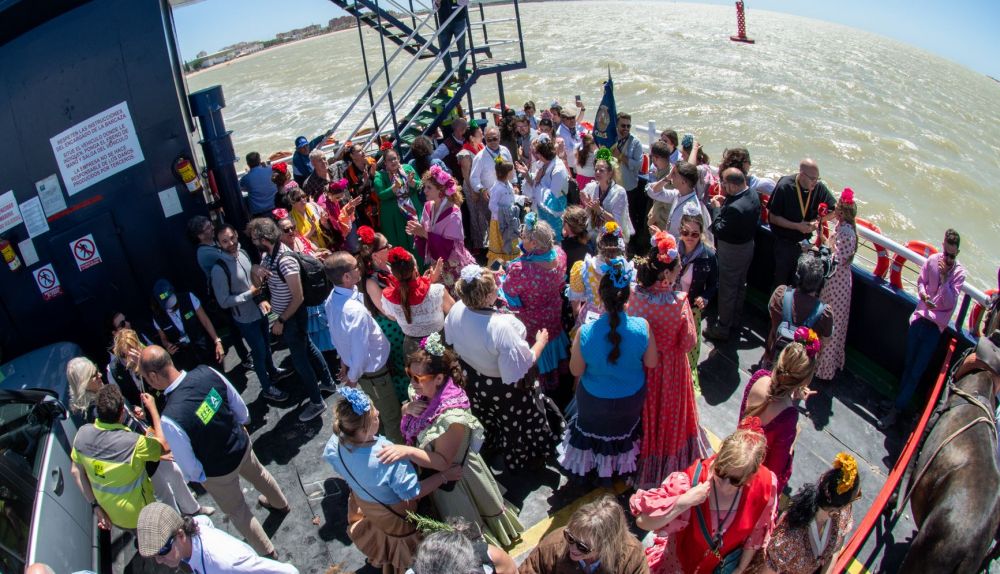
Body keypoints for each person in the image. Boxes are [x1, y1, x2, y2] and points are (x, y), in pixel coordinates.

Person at [139, 346, 289, 558]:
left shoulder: (170, 418)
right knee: (261, 475)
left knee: (239, 512)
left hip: (218, 471)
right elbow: (240, 408)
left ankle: (267, 553)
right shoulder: (207, 372)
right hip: (241, 445)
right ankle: (281, 504)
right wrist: (240, 428)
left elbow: (189, 468)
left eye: (145, 377)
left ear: (153, 376)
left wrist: (205, 477)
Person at [378, 334, 524, 546]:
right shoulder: (422, 393)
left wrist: (407, 451)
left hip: (457, 481)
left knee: (466, 530)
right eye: (410, 375)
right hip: (440, 477)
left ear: (438, 378)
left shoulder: (451, 418)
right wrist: (406, 409)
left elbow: (442, 462)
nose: (412, 383)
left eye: (418, 378)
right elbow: (411, 413)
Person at [324, 387, 460, 574]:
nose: (378, 412)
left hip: (370, 508)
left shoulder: (334, 444)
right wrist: (444, 476)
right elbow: (414, 492)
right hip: (399, 517)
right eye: (374, 416)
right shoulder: (388, 455)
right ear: (364, 429)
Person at [444, 264, 558, 471]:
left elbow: (452, 340)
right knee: (515, 422)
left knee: (490, 416)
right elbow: (523, 363)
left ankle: (493, 444)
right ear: (487, 297)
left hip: (475, 379)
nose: (498, 287)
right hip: (502, 387)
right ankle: (520, 457)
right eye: (495, 286)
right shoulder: (501, 326)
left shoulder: (456, 308)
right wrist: (541, 341)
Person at [630, 419, 779, 574]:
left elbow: (757, 533)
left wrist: (740, 568)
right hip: (678, 566)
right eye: (720, 472)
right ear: (718, 458)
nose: (724, 484)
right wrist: (683, 502)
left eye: (735, 481)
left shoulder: (766, 486)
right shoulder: (689, 481)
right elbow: (643, 521)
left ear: (751, 477)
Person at [559, 258, 657, 483]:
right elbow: (651, 363)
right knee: (621, 434)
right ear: (628, 297)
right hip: (630, 400)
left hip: (594, 401)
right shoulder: (642, 327)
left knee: (590, 434)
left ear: (601, 297)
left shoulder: (585, 332)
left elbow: (576, 370)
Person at [629, 235, 704, 489]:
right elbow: (688, 343)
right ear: (668, 275)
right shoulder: (679, 303)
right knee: (670, 414)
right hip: (671, 368)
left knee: (646, 414)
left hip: (643, 367)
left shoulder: (635, 296)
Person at [248, 217, 334, 422]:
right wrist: (253, 270)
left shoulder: (285, 260)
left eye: (254, 237)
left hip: (293, 318)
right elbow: (258, 284)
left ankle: (316, 401)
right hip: (288, 318)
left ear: (264, 238)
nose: (252, 241)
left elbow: (298, 297)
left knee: (300, 360)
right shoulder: (268, 256)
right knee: (309, 348)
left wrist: (282, 321)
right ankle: (328, 382)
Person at [879, 229, 965, 429]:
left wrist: (944, 280)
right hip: (919, 319)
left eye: (953, 256)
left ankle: (897, 410)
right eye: (947, 254)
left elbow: (950, 302)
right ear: (943, 247)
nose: (949, 259)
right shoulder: (933, 260)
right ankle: (898, 403)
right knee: (908, 365)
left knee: (916, 371)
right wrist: (924, 295)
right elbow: (921, 281)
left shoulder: (958, 274)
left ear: (957, 253)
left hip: (934, 328)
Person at [323, 252, 406, 443]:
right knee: (392, 417)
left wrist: (344, 362)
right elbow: (360, 352)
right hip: (375, 374)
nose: (359, 268)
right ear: (346, 277)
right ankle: (402, 459)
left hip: (366, 372)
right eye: (354, 267)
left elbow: (338, 336)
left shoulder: (331, 300)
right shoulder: (355, 310)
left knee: (379, 414)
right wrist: (352, 379)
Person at [211, 224, 290, 402]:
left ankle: (273, 372)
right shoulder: (219, 269)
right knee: (259, 352)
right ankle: (267, 387)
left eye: (232, 238)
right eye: (224, 241)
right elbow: (224, 301)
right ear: (218, 243)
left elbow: (253, 280)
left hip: (260, 311)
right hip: (245, 318)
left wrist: (260, 295)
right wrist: (250, 294)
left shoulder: (244, 253)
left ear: (237, 235)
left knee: (266, 346)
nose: (230, 243)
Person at [69, 383, 165, 531]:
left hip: (113, 516)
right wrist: (153, 409)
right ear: (122, 414)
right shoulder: (134, 442)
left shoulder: (81, 435)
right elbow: (163, 447)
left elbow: (76, 472)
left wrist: (95, 506)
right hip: (145, 514)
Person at [748, 453, 860, 574]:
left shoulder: (843, 513)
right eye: (856, 497)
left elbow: (835, 549)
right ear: (836, 508)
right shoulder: (790, 538)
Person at [740, 339, 820, 494]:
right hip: (751, 484)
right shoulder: (788, 417)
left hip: (735, 458)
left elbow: (772, 398)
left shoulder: (758, 377)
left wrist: (792, 394)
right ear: (805, 379)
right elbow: (775, 472)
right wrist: (793, 440)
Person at [501, 216, 569, 392]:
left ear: (533, 243)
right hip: (553, 313)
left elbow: (508, 293)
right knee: (552, 339)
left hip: (532, 322)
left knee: (538, 346)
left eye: (523, 236)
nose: (521, 238)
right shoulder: (560, 255)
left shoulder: (521, 270)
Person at [136, 502, 298, 573]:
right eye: (154, 555)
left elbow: (288, 572)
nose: (158, 560)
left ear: (180, 535)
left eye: (162, 551)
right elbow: (205, 521)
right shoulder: (195, 525)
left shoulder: (226, 563)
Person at [519, 495, 650, 574]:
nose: (572, 548)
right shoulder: (552, 545)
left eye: (583, 547)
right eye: (570, 537)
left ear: (607, 545)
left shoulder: (633, 556)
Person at [704, 168, 761, 342]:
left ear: (734, 186)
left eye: (724, 184)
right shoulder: (752, 194)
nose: (722, 187)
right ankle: (735, 319)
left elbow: (719, 229)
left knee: (728, 289)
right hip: (747, 247)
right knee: (740, 284)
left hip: (732, 251)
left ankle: (723, 328)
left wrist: (717, 209)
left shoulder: (736, 208)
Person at [358, 229, 413, 402]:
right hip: (394, 329)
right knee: (402, 366)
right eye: (385, 246)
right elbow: (388, 313)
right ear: (375, 255)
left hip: (404, 319)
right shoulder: (371, 281)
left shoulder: (388, 267)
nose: (390, 247)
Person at [767, 159, 836, 288]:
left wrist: (817, 222)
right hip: (784, 243)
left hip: (804, 246)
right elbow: (773, 217)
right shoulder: (785, 186)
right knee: (780, 283)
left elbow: (836, 210)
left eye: (817, 178)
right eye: (812, 179)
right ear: (802, 175)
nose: (815, 182)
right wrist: (797, 226)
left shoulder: (818, 187)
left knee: (800, 285)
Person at [671, 207, 718, 391]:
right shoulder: (672, 250)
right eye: (685, 232)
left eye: (695, 234)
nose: (689, 237)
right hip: (670, 305)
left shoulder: (709, 256)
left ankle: (684, 383)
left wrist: (705, 298)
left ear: (701, 234)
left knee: (690, 349)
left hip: (691, 309)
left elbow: (715, 284)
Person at [408, 164, 476, 292]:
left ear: (441, 190)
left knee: (456, 295)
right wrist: (416, 230)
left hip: (452, 263)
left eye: (429, 188)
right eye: (425, 187)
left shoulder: (453, 212)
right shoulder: (428, 206)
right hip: (436, 262)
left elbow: (448, 245)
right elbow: (423, 230)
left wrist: (423, 233)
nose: (424, 191)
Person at [816, 189, 858, 381]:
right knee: (832, 320)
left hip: (836, 283)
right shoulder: (844, 228)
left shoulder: (846, 233)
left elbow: (837, 258)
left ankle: (823, 368)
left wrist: (823, 245)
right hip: (836, 282)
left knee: (831, 322)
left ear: (841, 213)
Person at [764, 254, 835, 367]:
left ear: (797, 277)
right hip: (800, 372)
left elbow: (771, 315)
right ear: (820, 283)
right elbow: (826, 341)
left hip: (773, 361)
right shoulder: (825, 314)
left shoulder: (780, 294)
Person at [380, 247, 454, 353]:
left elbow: (392, 317)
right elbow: (453, 311)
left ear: (394, 274)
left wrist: (429, 282)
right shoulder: (436, 291)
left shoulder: (389, 298)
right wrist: (431, 283)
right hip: (439, 344)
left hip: (411, 349)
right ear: (415, 269)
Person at [151, 278, 226, 371]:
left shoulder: (188, 298)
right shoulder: (158, 317)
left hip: (204, 348)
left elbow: (205, 321)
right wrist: (167, 345)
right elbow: (163, 338)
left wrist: (217, 342)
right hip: (186, 358)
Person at [567, 222, 628, 328]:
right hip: (616, 319)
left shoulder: (584, 266)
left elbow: (575, 302)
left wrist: (577, 316)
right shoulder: (627, 269)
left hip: (589, 319)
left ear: (599, 243)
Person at [375, 147, 424, 260]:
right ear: (385, 163)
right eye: (389, 160)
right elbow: (381, 194)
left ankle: (423, 265)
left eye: (395, 158)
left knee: (417, 237)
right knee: (402, 241)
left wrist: (412, 183)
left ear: (398, 159)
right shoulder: (380, 176)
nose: (393, 162)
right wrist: (394, 188)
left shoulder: (407, 168)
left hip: (413, 209)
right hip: (395, 215)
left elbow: (420, 184)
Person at [518, 135, 569, 242]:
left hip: (553, 217)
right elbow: (535, 183)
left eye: (536, 153)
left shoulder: (558, 170)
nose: (535, 155)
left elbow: (553, 200)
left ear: (541, 154)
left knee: (552, 243)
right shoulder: (542, 163)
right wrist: (527, 175)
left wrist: (537, 181)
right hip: (540, 213)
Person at [467, 126, 509, 255]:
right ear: (485, 139)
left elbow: (511, 170)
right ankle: (497, 252)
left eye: (495, 138)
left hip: (506, 195)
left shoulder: (505, 151)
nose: (492, 141)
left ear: (499, 138)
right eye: (489, 139)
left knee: (508, 223)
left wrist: (514, 185)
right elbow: (473, 178)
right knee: (495, 226)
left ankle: (508, 248)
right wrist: (481, 190)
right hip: (490, 199)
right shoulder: (480, 157)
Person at [645, 160, 713, 240]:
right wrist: (667, 178)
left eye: (674, 174)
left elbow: (688, 240)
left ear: (683, 182)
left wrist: (661, 236)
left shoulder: (691, 209)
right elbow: (653, 192)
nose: (672, 176)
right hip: (669, 243)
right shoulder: (678, 194)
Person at [580, 148, 633, 245]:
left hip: (610, 237)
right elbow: (583, 194)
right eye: (596, 170)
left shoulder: (619, 192)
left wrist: (599, 210)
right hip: (593, 233)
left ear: (610, 173)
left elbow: (617, 221)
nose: (597, 172)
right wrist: (585, 199)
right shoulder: (592, 186)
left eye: (601, 170)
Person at [610, 113, 646, 253]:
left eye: (628, 126)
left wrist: (620, 155)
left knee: (629, 216)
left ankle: (629, 245)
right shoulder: (612, 139)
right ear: (617, 125)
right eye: (623, 125)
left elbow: (637, 165)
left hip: (629, 187)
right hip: (613, 185)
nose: (626, 128)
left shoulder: (635, 143)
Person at [486, 156, 522, 266]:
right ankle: (497, 268)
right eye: (511, 172)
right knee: (500, 245)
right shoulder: (497, 188)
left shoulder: (508, 185)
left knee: (511, 243)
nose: (513, 173)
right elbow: (492, 206)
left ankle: (511, 265)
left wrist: (521, 199)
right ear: (505, 173)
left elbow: (510, 199)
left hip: (509, 220)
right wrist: (506, 211)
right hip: (499, 222)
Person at [339, 142, 379, 228]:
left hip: (377, 200)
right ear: (352, 156)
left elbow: (378, 180)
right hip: (364, 207)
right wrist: (365, 181)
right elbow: (355, 193)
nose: (363, 152)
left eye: (362, 149)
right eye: (359, 151)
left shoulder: (371, 162)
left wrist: (373, 174)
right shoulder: (349, 172)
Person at [241, 152, 278, 218]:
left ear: (248, 164)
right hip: (275, 206)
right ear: (259, 161)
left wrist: (248, 173)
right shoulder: (270, 169)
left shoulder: (246, 178)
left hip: (258, 213)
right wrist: (265, 167)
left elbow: (242, 188)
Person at [560, 205, 593, 276]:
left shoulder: (565, 247)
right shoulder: (588, 241)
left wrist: (564, 238)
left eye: (564, 221)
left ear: (569, 226)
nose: (562, 223)